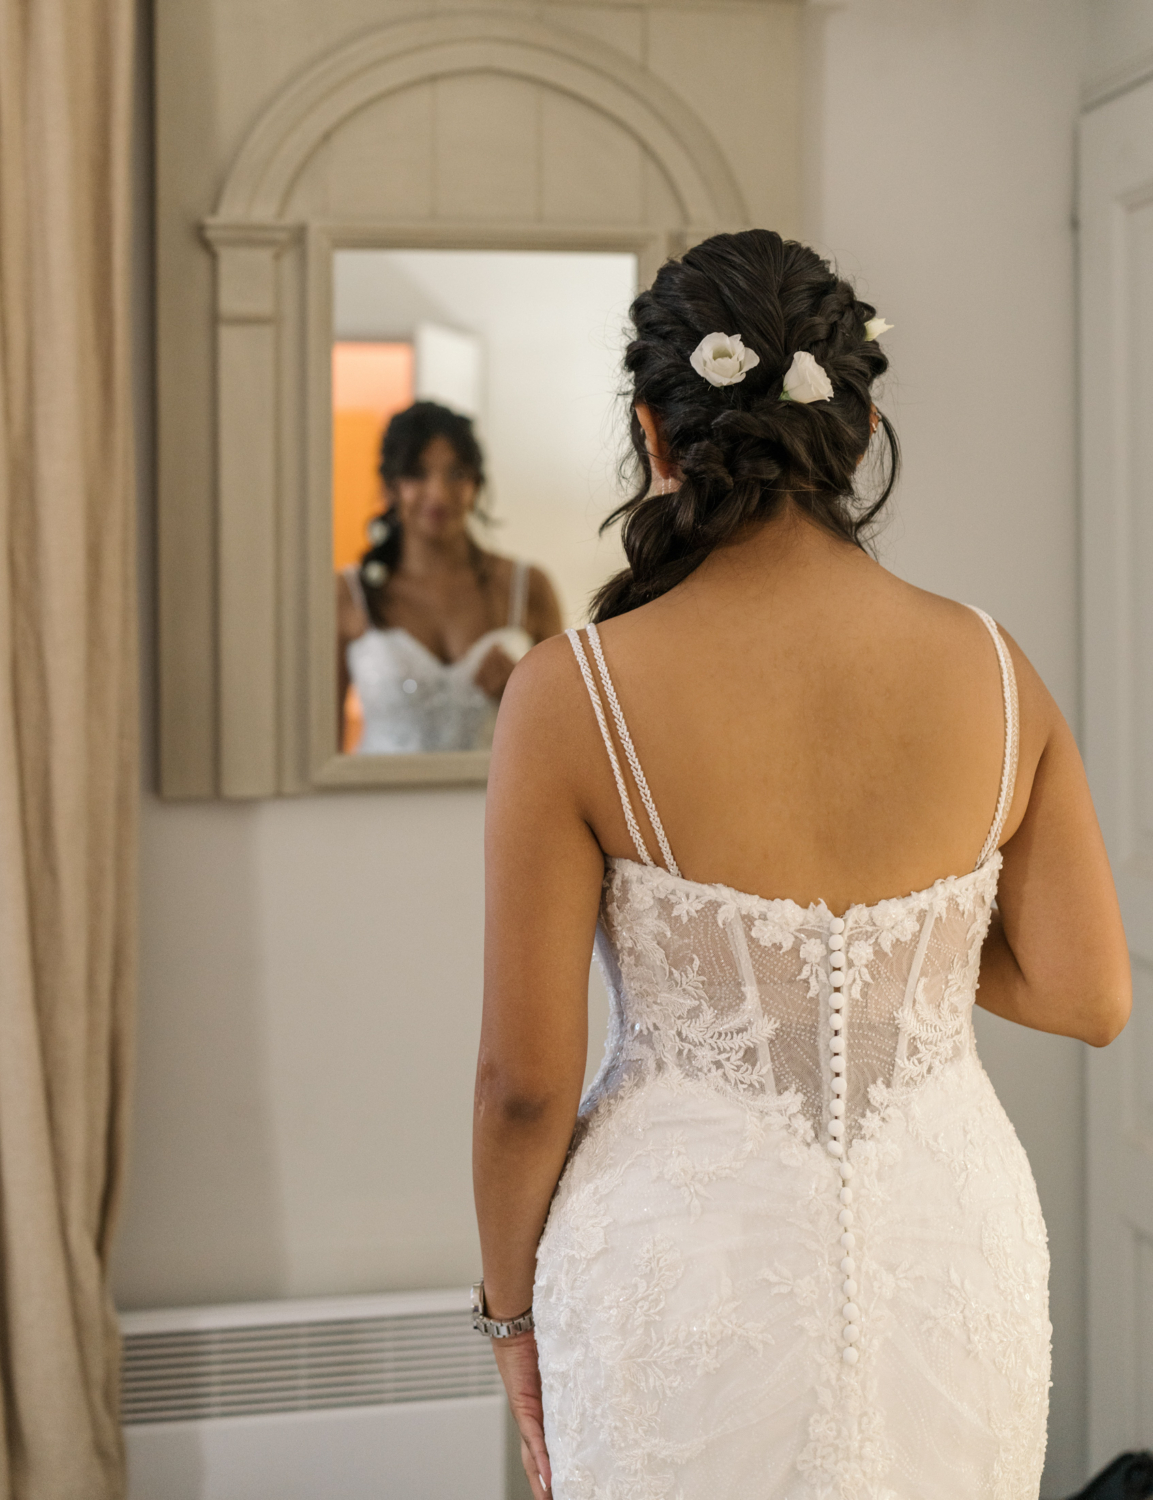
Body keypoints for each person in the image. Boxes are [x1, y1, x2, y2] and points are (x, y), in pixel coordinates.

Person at [471, 229, 1131, 1499]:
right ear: (859, 430)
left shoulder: (573, 697)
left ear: (654, 437)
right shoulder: (996, 671)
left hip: (681, 1265)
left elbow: (520, 1088)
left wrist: (509, 1324)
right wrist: (892, 965)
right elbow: (1090, 995)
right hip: (950, 1254)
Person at [337, 401, 562, 753]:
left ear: (476, 484)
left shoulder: (528, 587)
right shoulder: (349, 594)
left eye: (456, 473)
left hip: (495, 804)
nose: (438, 494)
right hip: (379, 807)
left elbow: (566, 740)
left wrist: (523, 693)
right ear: (390, 487)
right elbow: (320, 753)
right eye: (417, 474)